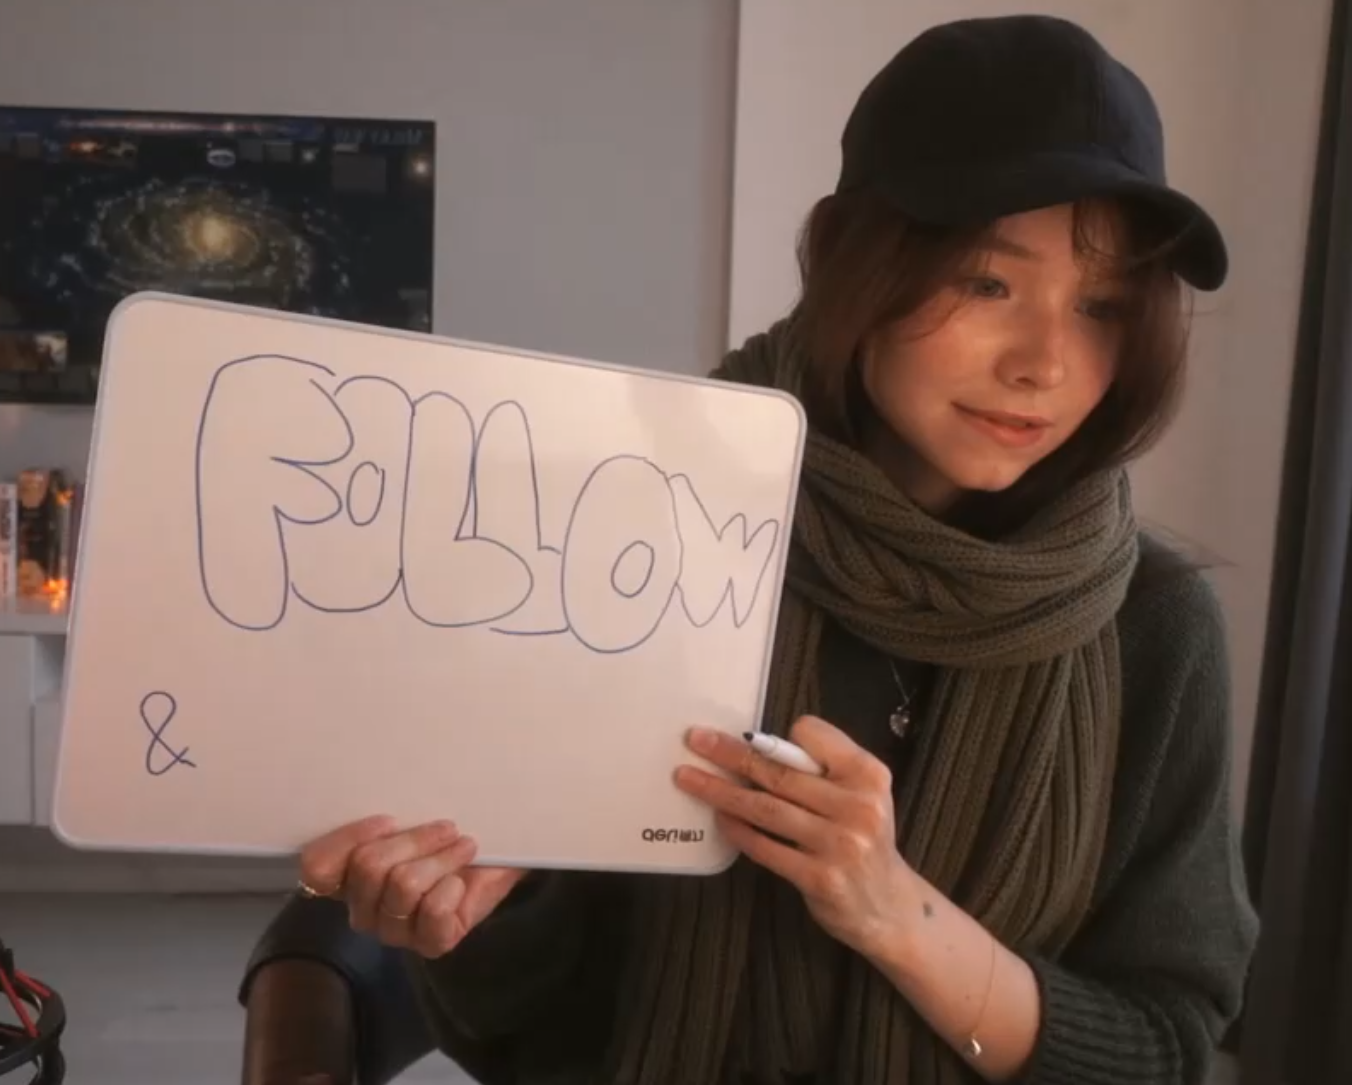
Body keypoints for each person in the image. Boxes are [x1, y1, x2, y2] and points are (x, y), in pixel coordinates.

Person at [294, 14, 1259, 1085]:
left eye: (1102, 305)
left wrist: (896, 913)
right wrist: (470, 923)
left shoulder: (1154, 628)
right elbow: (541, 1038)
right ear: (852, 260)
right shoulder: (635, 539)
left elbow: (1165, 1047)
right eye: (988, 283)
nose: (1047, 363)